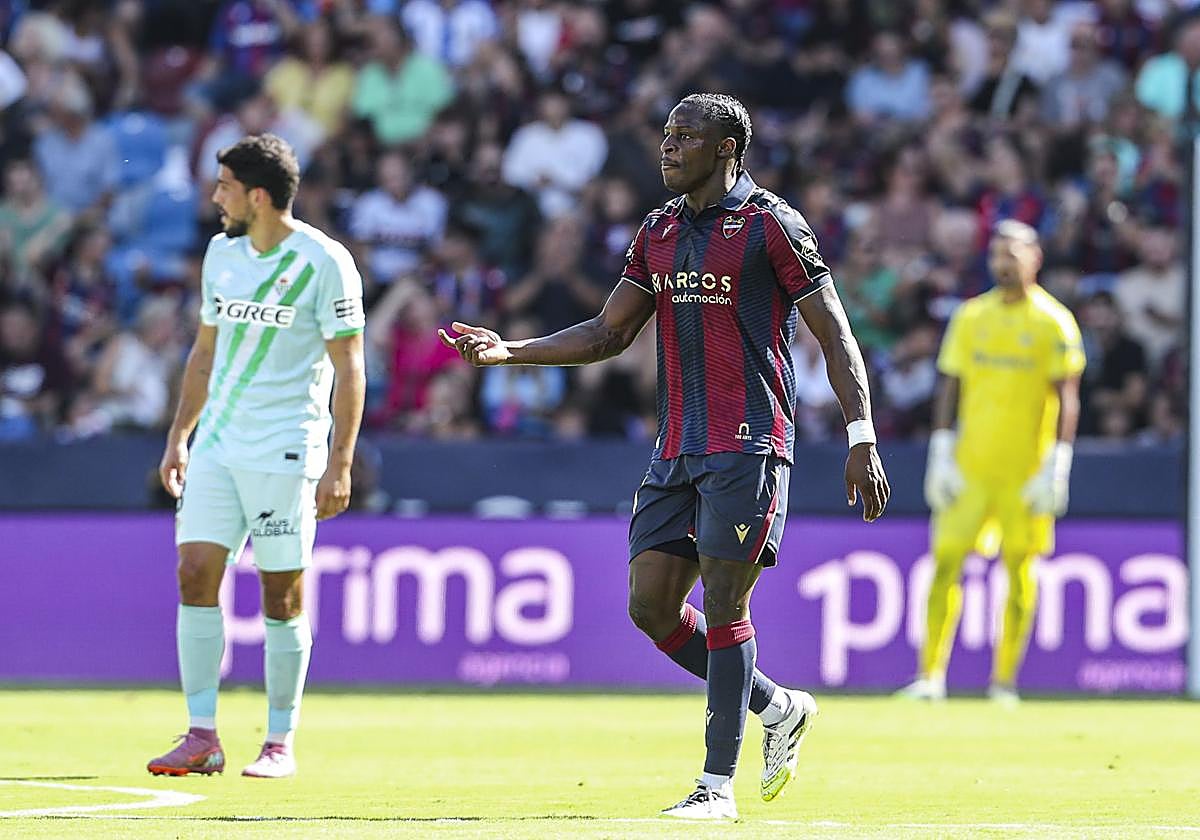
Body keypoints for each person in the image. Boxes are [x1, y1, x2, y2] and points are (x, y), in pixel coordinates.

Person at [441, 93, 890, 820]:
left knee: (723, 603)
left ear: (727, 149)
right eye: (667, 135)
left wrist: (860, 436)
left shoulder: (772, 225)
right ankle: (778, 707)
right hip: (676, 447)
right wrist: (509, 351)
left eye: (687, 137)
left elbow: (835, 336)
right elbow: (606, 333)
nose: (669, 147)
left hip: (748, 443)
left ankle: (716, 787)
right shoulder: (657, 230)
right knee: (650, 607)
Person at [146, 134, 366, 779]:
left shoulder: (325, 262)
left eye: (224, 186)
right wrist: (178, 436)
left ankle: (278, 741)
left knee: (281, 594)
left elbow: (350, 365)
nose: (215, 197)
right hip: (218, 444)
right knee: (193, 575)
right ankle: (201, 735)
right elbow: (204, 353)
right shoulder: (221, 255)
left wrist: (342, 461)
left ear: (258, 195)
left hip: (285, 446)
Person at [904, 220, 1084, 705]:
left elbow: (1067, 396)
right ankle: (930, 677)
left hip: (1025, 471)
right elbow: (951, 386)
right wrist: (941, 453)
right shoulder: (970, 317)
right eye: (998, 254)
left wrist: (1057, 463)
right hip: (970, 466)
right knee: (944, 563)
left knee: (1021, 570)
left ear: (1035, 257)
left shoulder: (1054, 321)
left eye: (1014, 253)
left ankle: (1004, 681)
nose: (1005, 263)